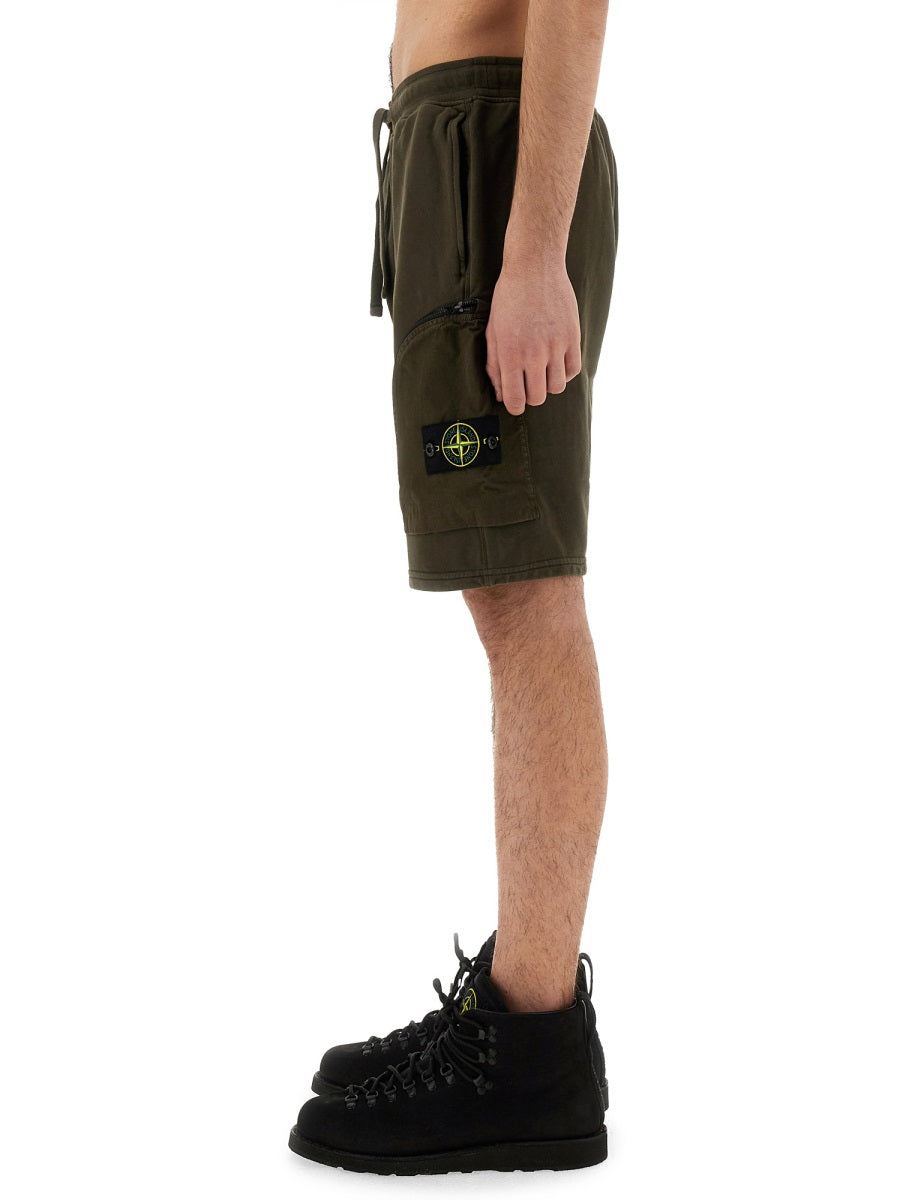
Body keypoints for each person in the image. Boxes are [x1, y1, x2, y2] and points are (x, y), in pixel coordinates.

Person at [289, 0, 618, 1174]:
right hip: (455, 151)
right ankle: (519, 1016)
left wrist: (532, 253)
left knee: (526, 588)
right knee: (503, 584)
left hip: (496, 156)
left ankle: (530, 1047)